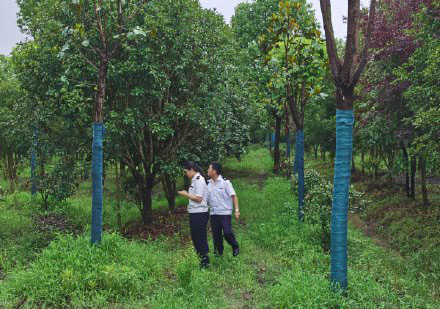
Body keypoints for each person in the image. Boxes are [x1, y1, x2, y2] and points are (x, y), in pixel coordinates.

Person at [177, 161, 210, 268]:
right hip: (194, 213)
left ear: (191, 169)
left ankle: (205, 262)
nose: (186, 173)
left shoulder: (199, 180)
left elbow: (199, 199)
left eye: (186, 171)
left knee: (200, 238)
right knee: (195, 238)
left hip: (199, 213)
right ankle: (201, 260)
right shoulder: (194, 180)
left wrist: (186, 194)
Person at [207, 161, 240, 257]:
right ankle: (219, 253)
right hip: (213, 214)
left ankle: (235, 245)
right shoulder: (208, 184)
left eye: (209, 168)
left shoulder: (225, 183)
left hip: (225, 213)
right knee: (216, 235)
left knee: (227, 232)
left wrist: (237, 210)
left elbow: (234, 196)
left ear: (214, 171)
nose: (207, 170)